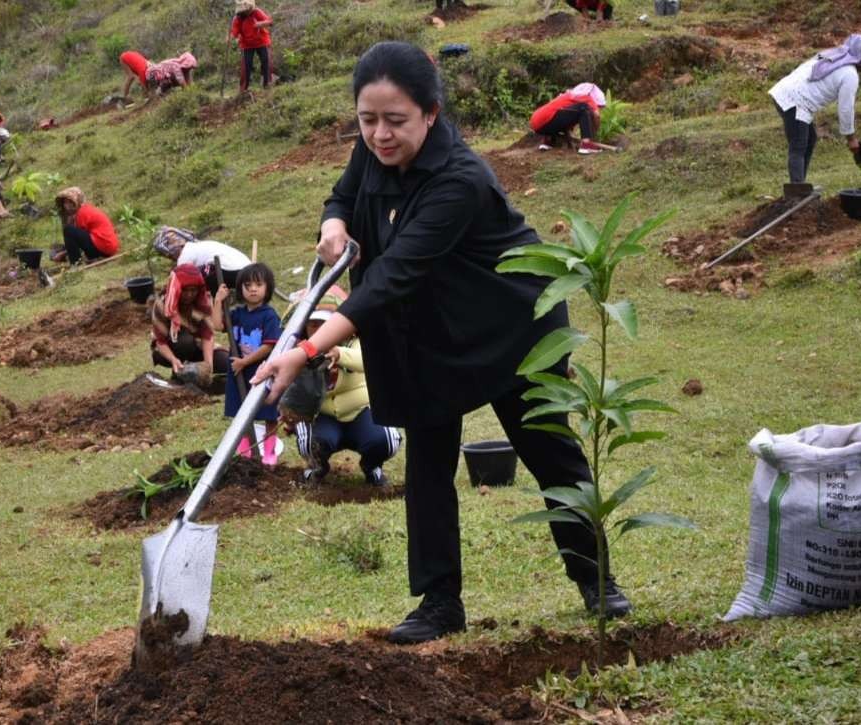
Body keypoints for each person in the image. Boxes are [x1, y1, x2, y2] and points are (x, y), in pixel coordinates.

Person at [253, 41, 626, 645]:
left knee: (547, 448)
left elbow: (392, 277)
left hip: (512, 326)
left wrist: (305, 347)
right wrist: (334, 224)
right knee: (428, 461)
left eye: (395, 121)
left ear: (431, 112)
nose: (379, 135)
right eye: (367, 120)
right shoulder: (373, 149)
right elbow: (344, 193)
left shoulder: (461, 180)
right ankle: (438, 602)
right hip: (429, 330)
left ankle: (596, 579)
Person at [292, 296, 401, 488]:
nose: (319, 331)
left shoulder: (355, 342)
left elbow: (366, 360)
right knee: (310, 442)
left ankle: (372, 467)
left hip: (359, 411)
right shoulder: (298, 351)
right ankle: (317, 467)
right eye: (313, 324)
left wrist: (339, 354)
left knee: (387, 440)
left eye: (325, 325)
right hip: (323, 416)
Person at [769, 34, 861, 185]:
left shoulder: (833, 56)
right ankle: (796, 192)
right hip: (795, 101)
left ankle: (800, 186)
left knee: (810, 139)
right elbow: (845, 109)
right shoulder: (850, 74)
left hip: (785, 93)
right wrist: (851, 139)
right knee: (798, 145)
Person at [212, 263, 282, 465]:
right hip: (238, 373)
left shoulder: (269, 316)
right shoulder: (237, 313)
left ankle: (270, 453)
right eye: (248, 284)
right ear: (240, 288)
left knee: (269, 414)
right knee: (241, 414)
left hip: (261, 371)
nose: (253, 289)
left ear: (267, 288)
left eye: (258, 284)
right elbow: (218, 325)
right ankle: (246, 452)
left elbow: (269, 346)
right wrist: (218, 301)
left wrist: (245, 362)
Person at [152, 264, 227, 383]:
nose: (189, 294)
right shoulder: (163, 304)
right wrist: (173, 359)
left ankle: (195, 374)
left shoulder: (203, 302)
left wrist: (208, 366)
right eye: (184, 290)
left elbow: (207, 336)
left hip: (197, 346)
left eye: (193, 290)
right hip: (171, 349)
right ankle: (178, 374)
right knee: (185, 341)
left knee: (225, 362)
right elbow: (160, 341)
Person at [153, 226, 251, 294]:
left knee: (194, 279)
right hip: (248, 268)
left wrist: (165, 291)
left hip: (235, 272)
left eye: (167, 255)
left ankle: (213, 301)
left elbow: (177, 279)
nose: (170, 257)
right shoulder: (196, 246)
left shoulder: (185, 255)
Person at [529, 83, 606, 154]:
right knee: (584, 108)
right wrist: (595, 133)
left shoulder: (568, 96)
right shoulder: (586, 99)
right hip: (546, 121)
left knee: (560, 111)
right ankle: (586, 145)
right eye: (599, 106)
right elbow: (597, 116)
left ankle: (548, 141)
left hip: (536, 123)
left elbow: (563, 118)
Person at [54, 187, 120, 264]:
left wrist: (62, 254)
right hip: (108, 247)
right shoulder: (86, 209)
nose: (67, 206)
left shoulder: (82, 213)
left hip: (103, 247)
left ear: (76, 202)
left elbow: (78, 242)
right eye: (65, 203)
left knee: (68, 230)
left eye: (70, 202)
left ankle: (75, 263)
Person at [230, 0, 274, 92]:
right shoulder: (238, 18)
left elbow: (269, 21)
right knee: (246, 67)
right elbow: (234, 32)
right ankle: (243, 89)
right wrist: (230, 38)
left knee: (266, 62)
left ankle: (267, 85)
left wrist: (261, 24)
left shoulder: (256, 12)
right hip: (246, 44)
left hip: (262, 41)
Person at [120, 50, 198, 98]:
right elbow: (184, 85)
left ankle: (159, 93)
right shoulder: (176, 66)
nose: (189, 70)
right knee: (155, 91)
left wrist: (191, 89)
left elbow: (189, 83)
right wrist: (146, 93)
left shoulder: (183, 67)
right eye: (189, 68)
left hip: (154, 71)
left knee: (166, 83)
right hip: (153, 73)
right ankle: (124, 97)